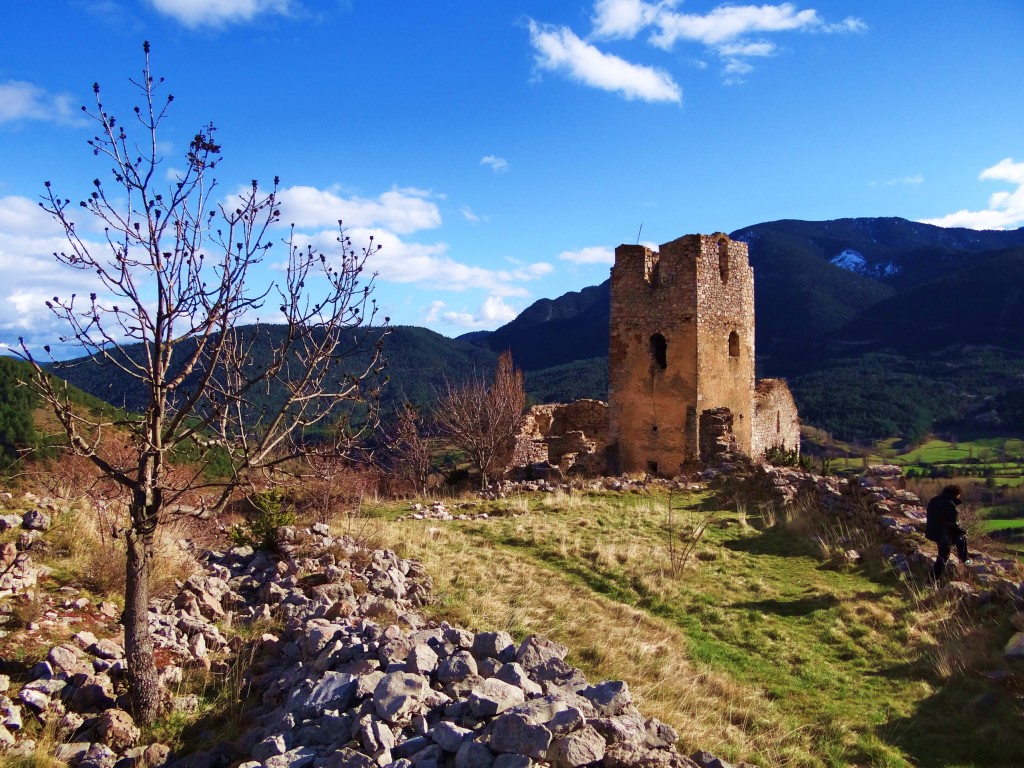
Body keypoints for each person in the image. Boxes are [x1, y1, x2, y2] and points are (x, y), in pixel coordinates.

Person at [925, 484, 972, 581]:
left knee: (943, 556)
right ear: (956, 494)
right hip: (943, 534)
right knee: (944, 556)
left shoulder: (934, 500)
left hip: (933, 532)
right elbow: (952, 525)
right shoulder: (950, 505)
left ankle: (931, 580)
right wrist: (962, 531)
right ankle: (965, 560)